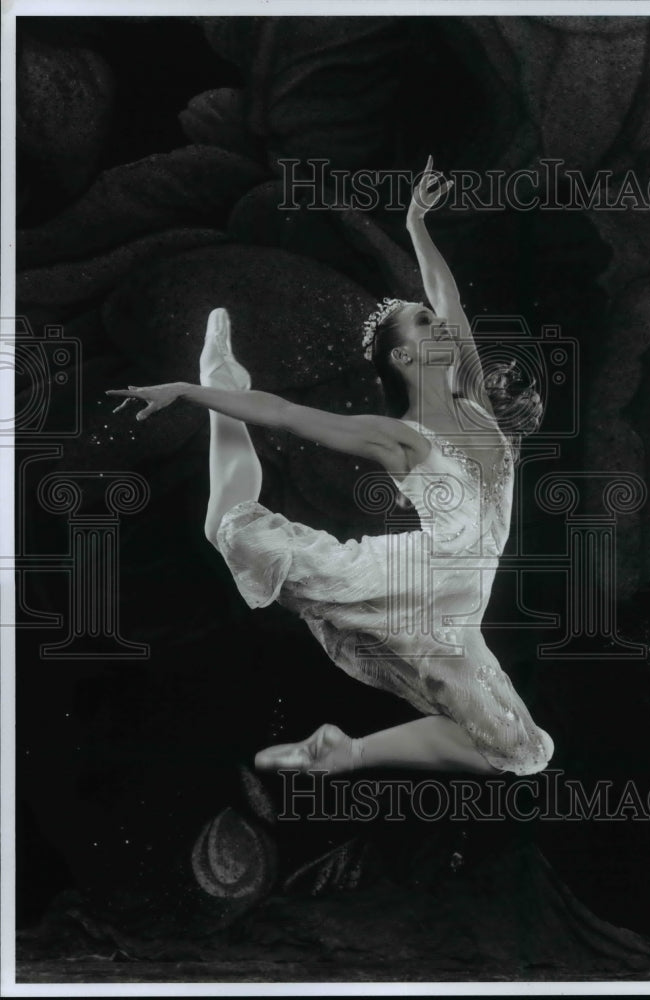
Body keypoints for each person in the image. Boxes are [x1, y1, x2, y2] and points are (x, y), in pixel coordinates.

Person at [107, 157, 554, 778]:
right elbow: (286, 413)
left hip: (458, 619)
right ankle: (219, 382)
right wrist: (190, 390)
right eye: (425, 325)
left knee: (524, 751)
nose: (443, 324)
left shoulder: (477, 399)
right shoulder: (400, 440)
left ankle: (346, 753)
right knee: (233, 530)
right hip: (405, 584)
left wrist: (416, 220)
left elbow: (444, 292)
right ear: (404, 355)